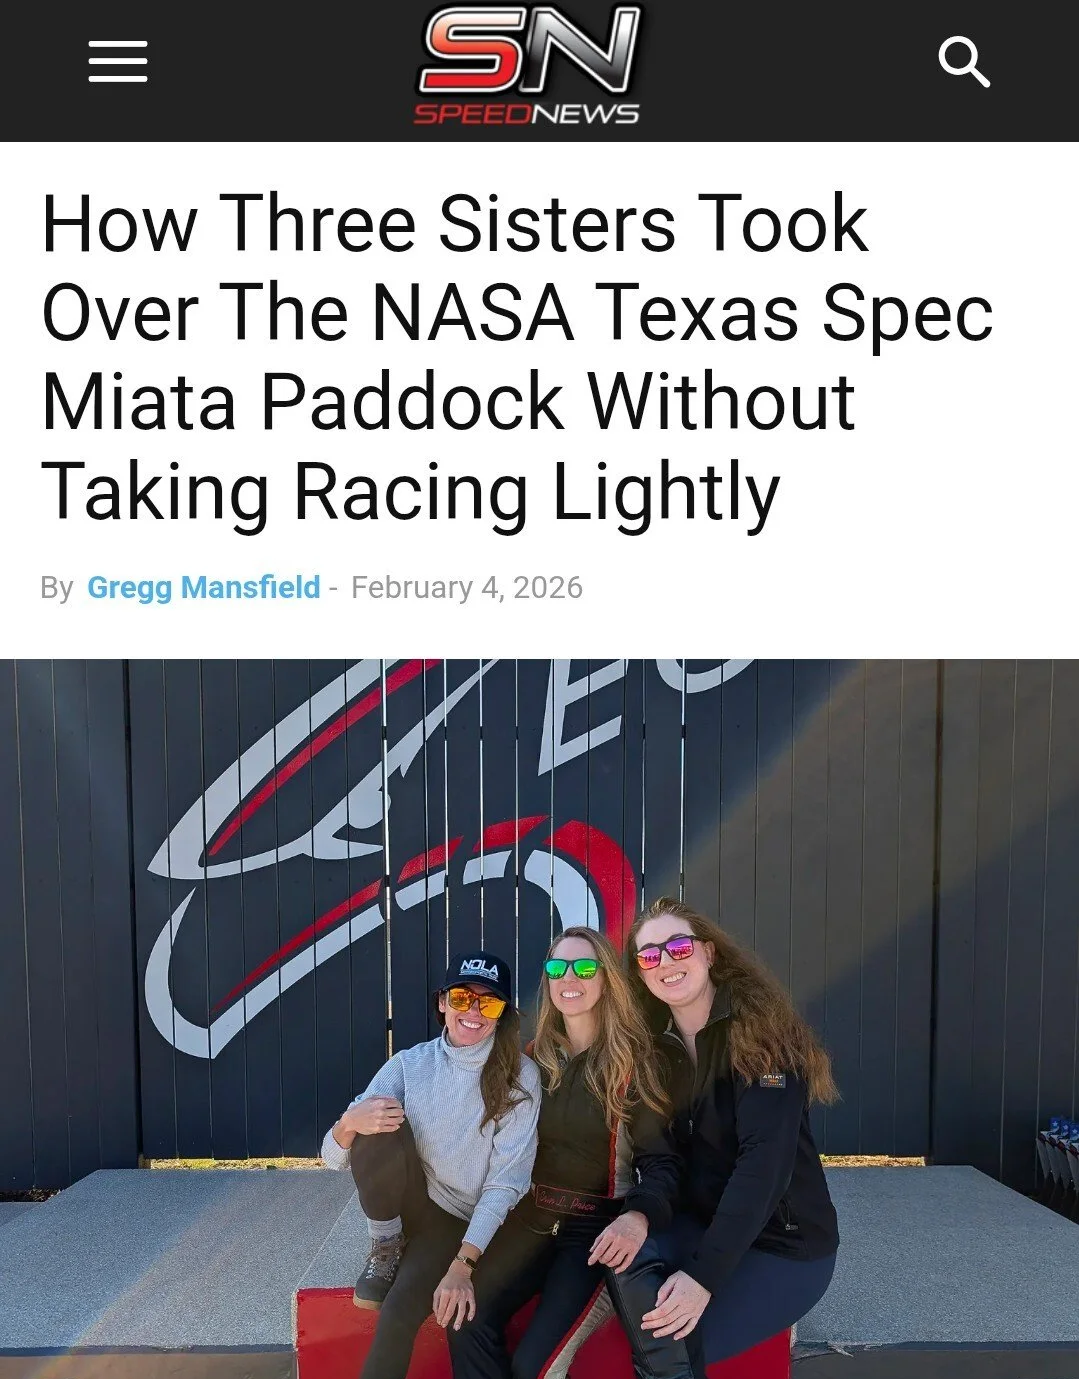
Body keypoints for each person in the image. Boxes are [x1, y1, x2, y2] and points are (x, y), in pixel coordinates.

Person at [449, 926, 698, 1379]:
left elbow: (663, 1164)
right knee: (465, 1315)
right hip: (530, 1221)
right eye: (557, 967)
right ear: (545, 980)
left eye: (585, 967)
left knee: (535, 1367)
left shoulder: (635, 1063)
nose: (570, 977)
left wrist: (636, 1216)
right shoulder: (530, 1058)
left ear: (606, 981)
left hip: (593, 1233)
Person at [626, 897, 840, 1364]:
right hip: (704, 1224)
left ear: (708, 953)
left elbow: (763, 1169)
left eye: (678, 947)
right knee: (617, 1260)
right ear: (640, 974)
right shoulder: (653, 1052)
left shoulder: (764, 1040)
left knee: (674, 1353)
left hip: (785, 1244)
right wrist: (637, 1213)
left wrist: (702, 1278)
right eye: (649, 955)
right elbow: (659, 1158)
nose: (665, 961)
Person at [320, 950, 541, 1379]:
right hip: (425, 1208)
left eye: (488, 1002)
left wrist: (463, 1264)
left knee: (408, 1308)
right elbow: (333, 1157)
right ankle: (385, 1244)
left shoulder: (520, 1076)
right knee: (374, 1120)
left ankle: (410, 1254)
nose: (473, 1012)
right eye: (461, 998)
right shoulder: (410, 1064)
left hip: (477, 1223)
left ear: (503, 1015)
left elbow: (505, 1184)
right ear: (442, 1002)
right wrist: (349, 1123)